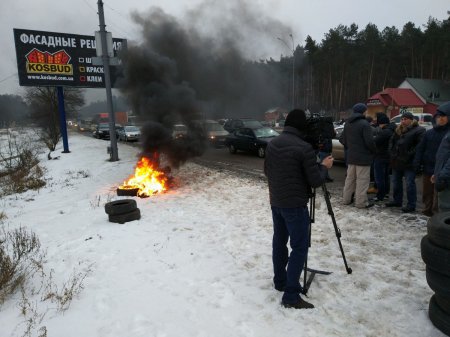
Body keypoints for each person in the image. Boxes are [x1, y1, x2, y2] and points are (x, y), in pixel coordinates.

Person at [264, 109, 333, 310]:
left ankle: (280, 281)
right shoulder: (304, 148)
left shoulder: (272, 143)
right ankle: (291, 296)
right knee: (300, 247)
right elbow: (315, 181)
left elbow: (267, 171)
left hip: (276, 201)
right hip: (294, 205)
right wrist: (324, 166)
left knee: (279, 241)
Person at [413, 104, 450, 216]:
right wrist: (417, 163)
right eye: (438, 116)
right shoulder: (429, 133)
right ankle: (426, 212)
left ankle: (436, 216)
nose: (440, 119)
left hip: (441, 169)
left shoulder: (447, 134)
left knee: (438, 195)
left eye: (443, 116)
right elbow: (420, 149)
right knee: (427, 193)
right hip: (428, 168)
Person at [386, 112, 425, 213]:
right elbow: (391, 142)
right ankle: (397, 200)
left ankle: (411, 204)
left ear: (411, 120)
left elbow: (419, 146)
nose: (403, 121)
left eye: (406, 119)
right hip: (396, 161)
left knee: (409, 184)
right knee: (396, 182)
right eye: (402, 119)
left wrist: (409, 154)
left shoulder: (419, 130)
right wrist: (391, 152)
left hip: (409, 162)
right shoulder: (398, 130)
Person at [340, 103, 377, 208]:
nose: (367, 112)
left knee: (350, 180)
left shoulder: (348, 123)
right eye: (366, 110)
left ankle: (346, 200)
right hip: (363, 158)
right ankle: (360, 203)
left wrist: (350, 147)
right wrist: (374, 151)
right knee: (362, 180)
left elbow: (342, 139)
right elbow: (369, 142)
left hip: (351, 156)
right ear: (363, 111)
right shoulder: (364, 124)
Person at [372, 113, 396, 202]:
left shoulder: (385, 132)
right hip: (388, 157)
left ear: (382, 123)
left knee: (379, 177)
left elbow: (375, 141)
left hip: (381, 156)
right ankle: (385, 193)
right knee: (386, 177)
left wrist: (374, 137)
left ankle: (380, 195)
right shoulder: (393, 129)